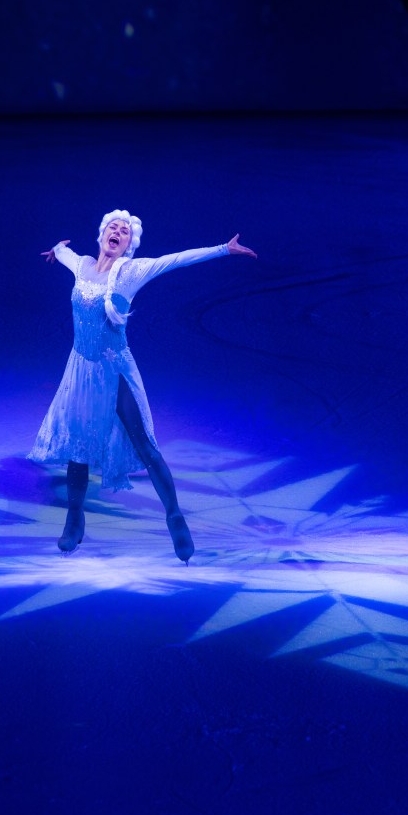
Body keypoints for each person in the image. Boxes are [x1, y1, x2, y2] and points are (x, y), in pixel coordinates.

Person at [28, 209, 257, 562]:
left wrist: (223, 249)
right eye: (112, 227)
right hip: (81, 370)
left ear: (127, 245)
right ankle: (75, 517)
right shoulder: (82, 264)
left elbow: (174, 260)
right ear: (102, 234)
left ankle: (174, 516)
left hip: (114, 368)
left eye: (124, 231)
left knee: (145, 445)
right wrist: (55, 248)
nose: (117, 232)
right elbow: (66, 255)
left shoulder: (131, 272)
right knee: (79, 446)